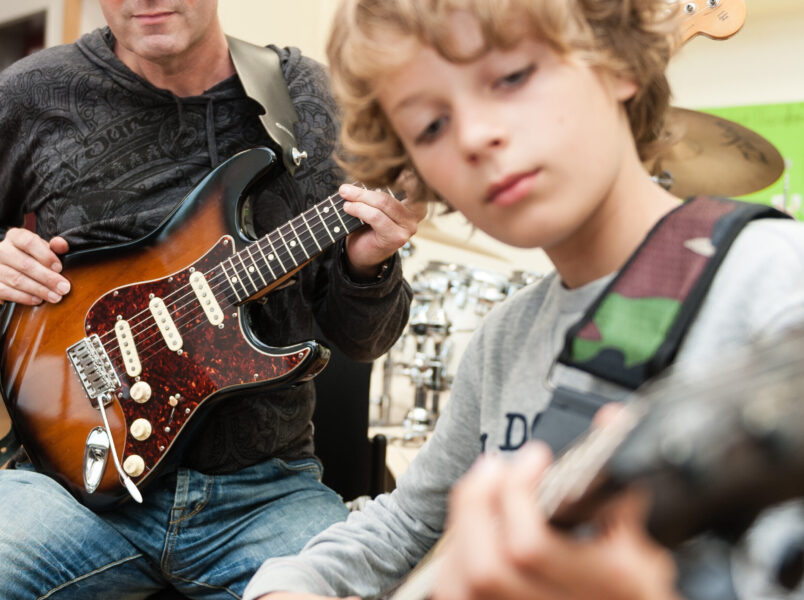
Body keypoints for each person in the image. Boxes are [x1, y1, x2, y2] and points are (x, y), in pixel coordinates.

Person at [241, 0, 804, 599]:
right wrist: (289, 583)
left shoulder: (776, 283)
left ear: (617, 63)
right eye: (430, 126)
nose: (476, 137)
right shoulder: (504, 337)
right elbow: (406, 523)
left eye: (512, 77)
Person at [0, 1, 424, 598]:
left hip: (262, 493)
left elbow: (365, 338)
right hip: (73, 484)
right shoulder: (32, 93)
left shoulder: (311, 99)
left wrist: (369, 262)